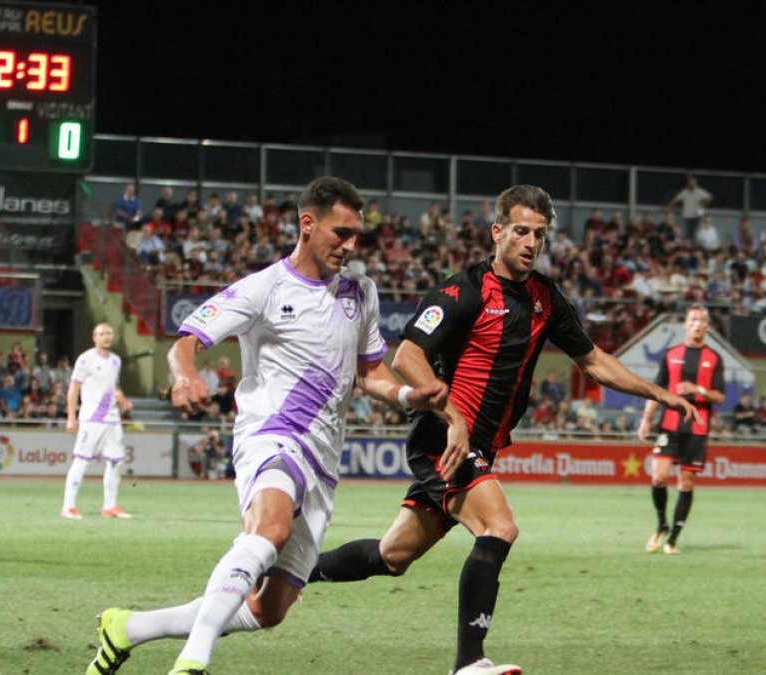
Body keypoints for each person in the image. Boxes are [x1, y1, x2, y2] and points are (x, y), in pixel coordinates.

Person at [306, 185, 697, 675]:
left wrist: (658, 394)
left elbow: (593, 361)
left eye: (540, 234)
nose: (531, 242)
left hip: (478, 447)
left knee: (392, 556)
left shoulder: (545, 298)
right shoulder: (464, 289)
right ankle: (469, 662)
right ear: (498, 232)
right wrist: (453, 420)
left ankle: (294, 572)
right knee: (500, 527)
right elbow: (407, 356)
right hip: (442, 440)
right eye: (521, 231)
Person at [84, 177, 447, 675]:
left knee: (267, 609)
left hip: (322, 459)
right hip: (271, 436)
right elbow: (185, 342)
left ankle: (127, 627)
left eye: (356, 236)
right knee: (270, 527)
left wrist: (409, 395)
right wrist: (186, 376)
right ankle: (193, 661)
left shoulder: (361, 293)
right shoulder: (264, 288)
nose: (350, 246)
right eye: (340, 233)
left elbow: (368, 372)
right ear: (307, 223)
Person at [638, 305, 726, 556]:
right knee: (658, 476)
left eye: (702, 320)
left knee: (686, 482)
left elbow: (719, 396)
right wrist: (646, 419)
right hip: (670, 425)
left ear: (707, 326)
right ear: (686, 324)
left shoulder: (713, 358)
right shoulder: (671, 354)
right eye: (693, 319)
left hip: (697, 428)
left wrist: (698, 390)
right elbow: (655, 390)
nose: (698, 324)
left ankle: (673, 538)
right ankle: (661, 523)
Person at [60, 323, 134, 520]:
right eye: (102, 334)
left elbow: (114, 387)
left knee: (115, 462)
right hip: (92, 418)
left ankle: (110, 506)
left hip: (112, 419)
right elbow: (73, 390)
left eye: (109, 333)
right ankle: (68, 506)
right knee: (81, 460)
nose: (106, 337)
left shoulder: (115, 361)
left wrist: (123, 400)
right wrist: (71, 418)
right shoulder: (85, 360)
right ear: (94, 337)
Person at [664, 175, 712, 243]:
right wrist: (668, 207)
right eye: (690, 183)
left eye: (693, 183)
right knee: (687, 233)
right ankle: (688, 245)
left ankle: (695, 245)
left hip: (697, 216)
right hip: (687, 216)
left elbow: (709, 197)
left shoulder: (699, 192)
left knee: (696, 233)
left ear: (696, 183)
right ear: (688, 184)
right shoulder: (684, 192)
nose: (692, 184)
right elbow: (675, 200)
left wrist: (703, 205)